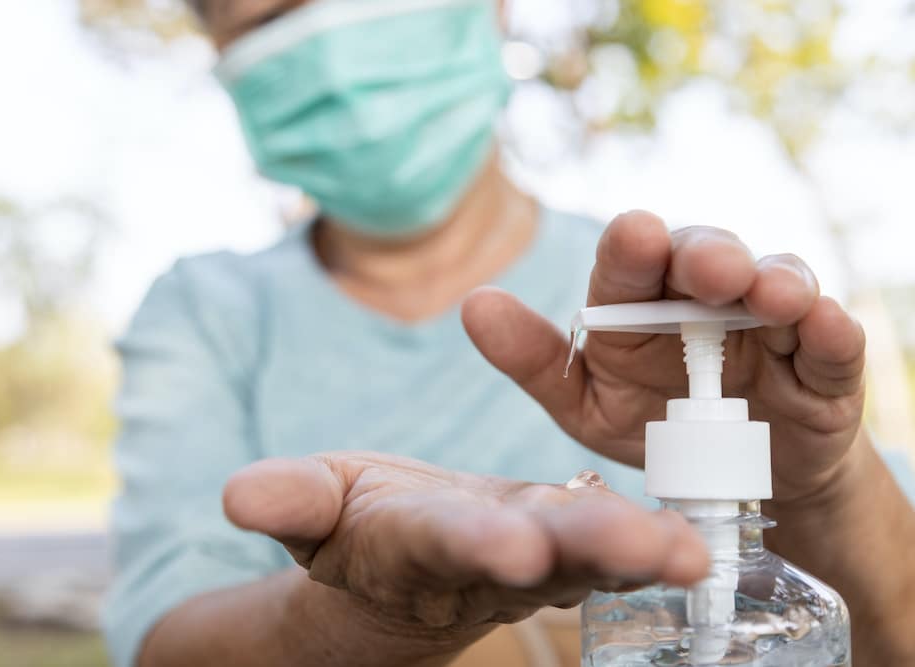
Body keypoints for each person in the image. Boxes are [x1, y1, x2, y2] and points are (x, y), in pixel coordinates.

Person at [102, 1, 915, 665]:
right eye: (275, 14)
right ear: (216, 46)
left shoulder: (669, 306)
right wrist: (381, 618)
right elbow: (170, 636)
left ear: (492, 11)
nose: (338, 51)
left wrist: (822, 490)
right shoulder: (206, 311)